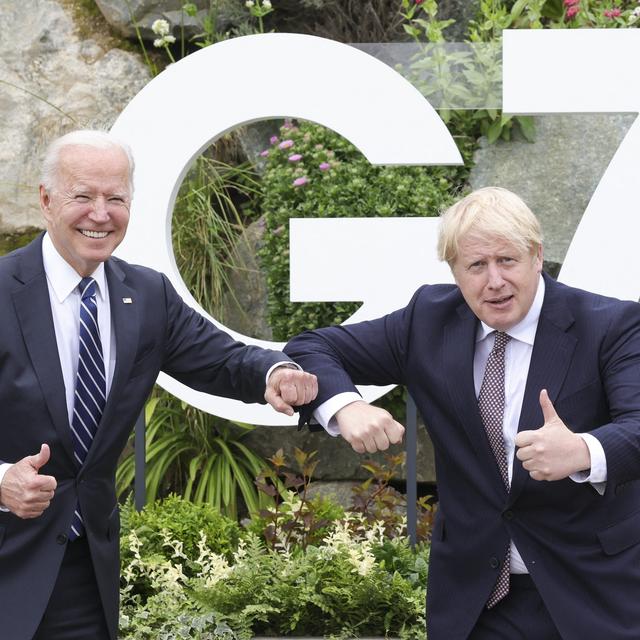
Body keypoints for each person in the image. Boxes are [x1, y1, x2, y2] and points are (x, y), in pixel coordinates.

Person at [0, 129, 317, 640]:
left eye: (116, 199)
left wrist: (275, 373)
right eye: (82, 196)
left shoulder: (146, 295)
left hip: (83, 573)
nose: (100, 214)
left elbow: (219, 358)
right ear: (46, 200)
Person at [285, 186, 640, 640]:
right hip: (478, 601)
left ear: (537, 256)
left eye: (507, 260)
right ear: (454, 270)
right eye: (476, 265)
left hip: (589, 595)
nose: (494, 281)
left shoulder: (609, 325)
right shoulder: (427, 321)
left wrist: (583, 451)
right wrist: (346, 405)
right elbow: (312, 346)